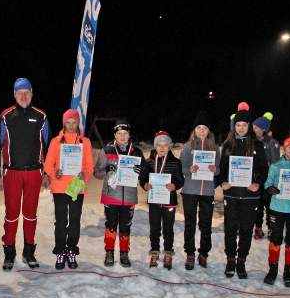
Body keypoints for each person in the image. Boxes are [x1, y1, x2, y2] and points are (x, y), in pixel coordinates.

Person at [0, 78, 50, 270]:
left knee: (30, 214)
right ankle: (9, 251)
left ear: (32, 94)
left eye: (27, 92)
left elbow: (47, 146)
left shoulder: (41, 116)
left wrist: (47, 173)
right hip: (12, 172)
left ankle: (29, 252)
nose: (24, 96)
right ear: (14, 95)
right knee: (11, 214)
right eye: (20, 93)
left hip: (34, 172)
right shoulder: (6, 116)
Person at [217, 102, 268, 279]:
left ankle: (241, 262)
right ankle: (231, 259)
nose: (240, 128)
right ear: (234, 127)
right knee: (230, 229)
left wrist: (257, 184)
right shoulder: (228, 145)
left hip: (249, 196)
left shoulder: (258, 146)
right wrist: (222, 181)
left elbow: (264, 170)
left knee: (246, 229)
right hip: (231, 195)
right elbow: (221, 169)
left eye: (244, 125)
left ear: (249, 126)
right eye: (238, 125)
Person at [44, 109, 94, 269]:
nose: (71, 126)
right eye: (68, 122)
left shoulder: (85, 142)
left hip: (76, 187)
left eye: (74, 122)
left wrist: (83, 175)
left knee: (74, 221)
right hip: (59, 187)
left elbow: (89, 166)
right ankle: (60, 251)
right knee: (60, 222)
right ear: (64, 123)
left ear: (78, 123)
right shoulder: (55, 141)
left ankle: (71, 250)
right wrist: (54, 173)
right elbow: (47, 165)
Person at [94, 119, 146, 267]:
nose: (122, 136)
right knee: (111, 225)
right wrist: (106, 170)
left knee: (125, 227)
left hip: (129, 197)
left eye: (125, 133)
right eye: (119, 133)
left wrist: (140, 171)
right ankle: (109, 252)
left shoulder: (136, 152)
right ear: (115, 135)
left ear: (129, 135)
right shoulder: (107, 150)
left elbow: (144, 173)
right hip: (111, 196)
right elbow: (96, 173)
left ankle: (124, 253)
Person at [179, 112, 220, 270]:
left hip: (207, 192)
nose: (202, 131)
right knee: (190, 224)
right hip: (190, 191)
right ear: (194, 130)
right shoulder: (188, 147)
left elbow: (218, 171)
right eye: (199, 128)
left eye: (204, 128)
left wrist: (215, 169)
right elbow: (182, 168)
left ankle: (204, 253)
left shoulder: (215, 148)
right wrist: (190, 169)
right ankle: (190, 253)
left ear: (208, 130)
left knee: (206, 224)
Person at [263, 137, 290, 287]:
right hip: (277, 208)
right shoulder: (276, 165)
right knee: (275, 239)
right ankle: (272, 270)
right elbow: (268, 183)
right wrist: (270, 189)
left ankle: (288, 273)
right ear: (284, 149)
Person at [141, 131, 184, 270]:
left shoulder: (175, 162)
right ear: (155, 146)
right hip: (154, 200)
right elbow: (143, 178)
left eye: (165, 145)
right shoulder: (149, 162)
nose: (162, 148)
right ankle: (154, 251)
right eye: (159, 145)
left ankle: (168, 252)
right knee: (154, 227)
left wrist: (175, 186)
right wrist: (145, 185)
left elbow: (180, 180)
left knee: (168, 228)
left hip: (169, 201)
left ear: (169, 146)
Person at [252, 112, 280, 239]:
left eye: (256, 127)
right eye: (253, 127)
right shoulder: (252, 141)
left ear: (263, 128)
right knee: (257, 205)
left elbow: (275, 162)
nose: (254, 129)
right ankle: (258, 228)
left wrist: (273, 179)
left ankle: (271, 228)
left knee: (269, 205)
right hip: (256, 178)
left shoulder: (272, 142)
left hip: (268, 179)